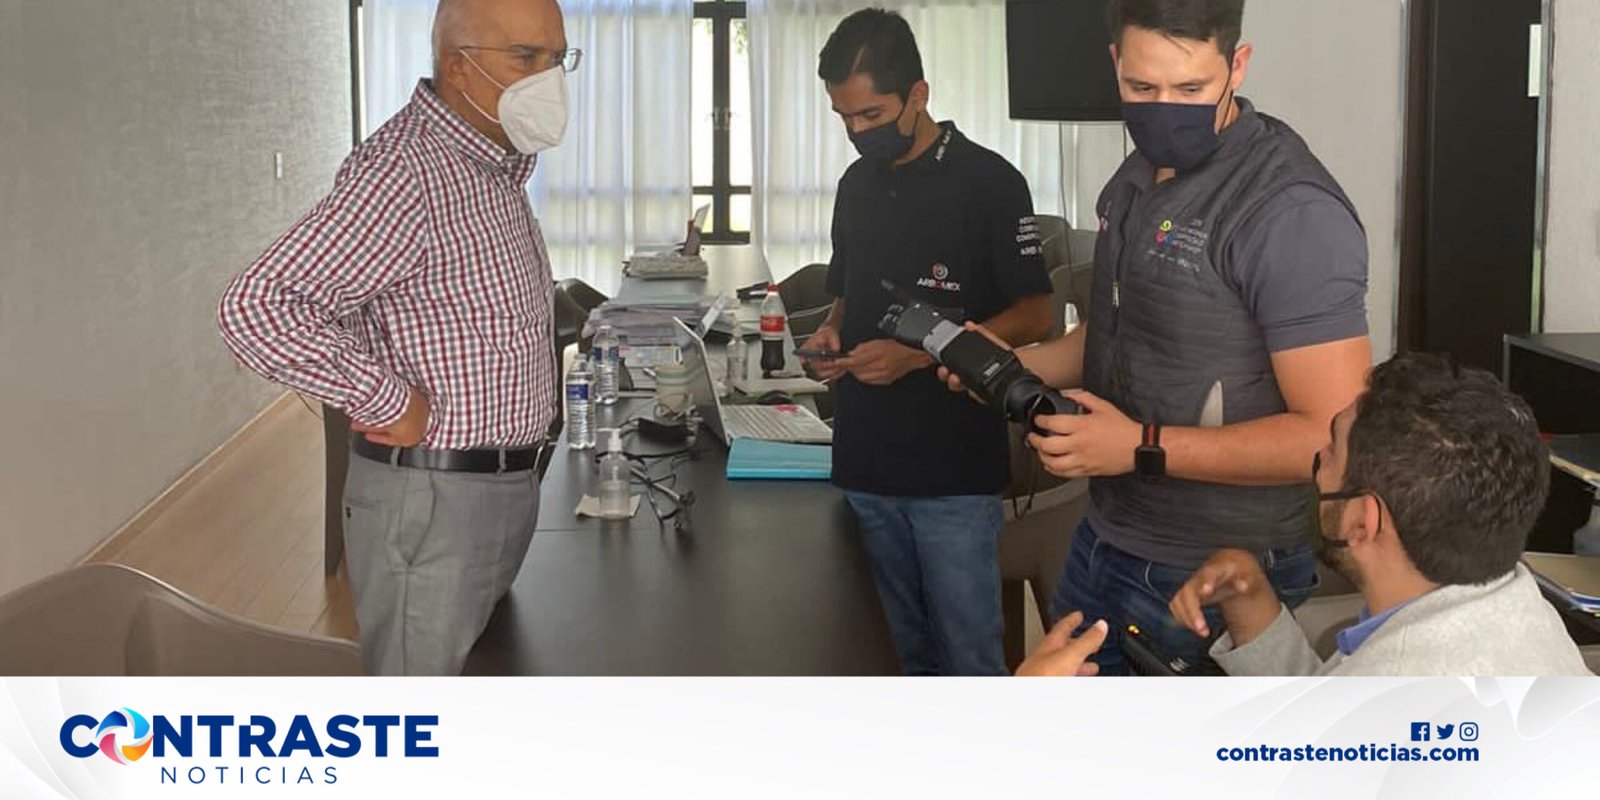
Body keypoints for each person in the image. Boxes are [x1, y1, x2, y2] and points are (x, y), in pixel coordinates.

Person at [943, 0, 1371, 675]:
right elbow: (1120, 332)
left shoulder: (1289, 212)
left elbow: (1328, 436)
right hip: (1105, 533)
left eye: (1190, 89)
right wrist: (1017, 366)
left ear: (1237, 65)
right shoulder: (1136, 175)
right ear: (1116, 62)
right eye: (1142, 88)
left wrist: (1140, 447)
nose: (1164, 110)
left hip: (1214, 569)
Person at [217, 0, 577, 675]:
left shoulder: (491, 166)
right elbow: (259, 306)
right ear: (458, 67)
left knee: (481, 679)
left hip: (500, 487)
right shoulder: (406, 173)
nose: (548, 78)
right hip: (434, 501)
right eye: (525, 57)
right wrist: (386, 399)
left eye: (557, 58)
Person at [800, 8, 1055, 676]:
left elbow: (1037, 315)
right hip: (864, 459)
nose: (859, 132)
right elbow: (848, 289)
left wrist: (921, 354)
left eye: (873, 115)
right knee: (886, 656)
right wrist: (832, 329)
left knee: (967, 658)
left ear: (919, 94)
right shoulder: (857, 184)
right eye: (845, 118)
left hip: (951, 471)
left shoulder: (990, 183)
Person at [1168, 353, 1592, 676]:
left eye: (1332, 448)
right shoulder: (1523, 609)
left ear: (1361, 521)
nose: (1319, 460)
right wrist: (1251, 605)